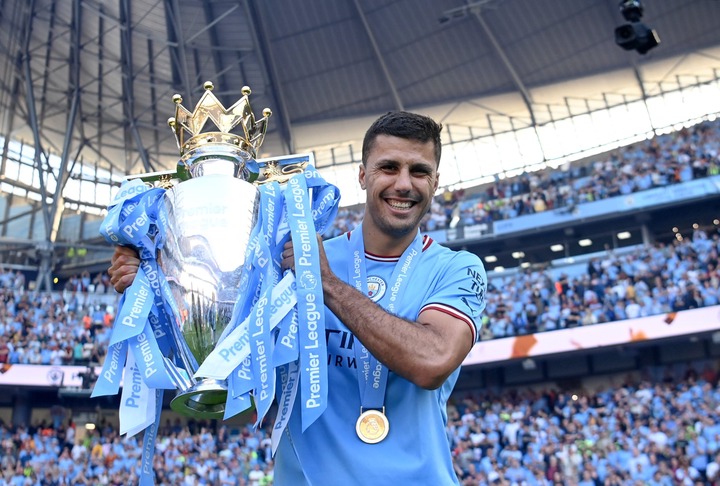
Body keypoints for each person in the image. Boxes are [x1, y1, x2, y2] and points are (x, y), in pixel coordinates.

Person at [108, 111, 487, 485]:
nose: (404, 183)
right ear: (362, 175)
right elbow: (238, 389)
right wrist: (160, 284)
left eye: (419, 171)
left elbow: (432, 361)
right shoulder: (286, 259)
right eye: (388, 167)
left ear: (435, 181)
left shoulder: (457, 268)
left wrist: (326, 284)